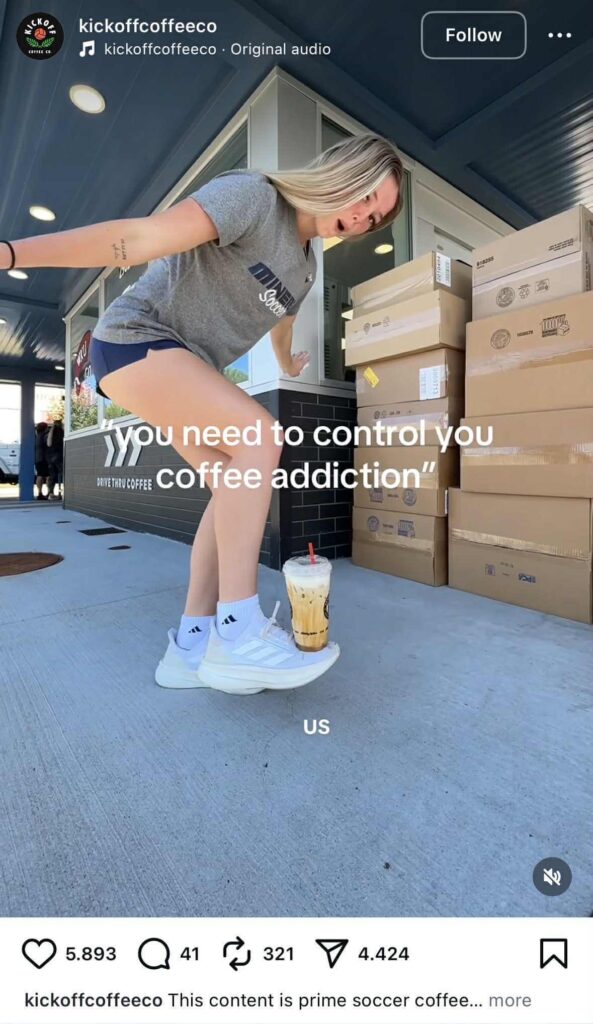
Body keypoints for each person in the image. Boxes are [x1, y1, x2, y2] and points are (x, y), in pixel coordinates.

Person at [0, 133, 404, 694]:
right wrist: (12, 253)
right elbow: (136, 238)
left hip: (183, 365)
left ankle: (190, 644)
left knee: (231, 484)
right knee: (261, 438)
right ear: (342, 172)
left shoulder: (307, 268)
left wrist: (290, 358)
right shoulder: (255, 198)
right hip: (135, 339)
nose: (363, 218)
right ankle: (237, 631)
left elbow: (280, 316)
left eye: (376, 218)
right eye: (365, 198)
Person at [46, 417, 64, 499]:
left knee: (52, 476)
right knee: (62, 474)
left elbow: (48, 444)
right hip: (59, 455)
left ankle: (50, 493)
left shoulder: (51, 432)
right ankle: (61, 493)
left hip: (50, 456)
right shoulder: (61, 432)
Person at [34, 421, 50, 500]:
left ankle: (39, 493)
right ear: (45, 428)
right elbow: (49, 445)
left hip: (37, 459)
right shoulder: (45, 436)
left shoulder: (36, 437)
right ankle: (49, 493)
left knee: (39, 475)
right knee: (48, 476)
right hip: (44, 458)